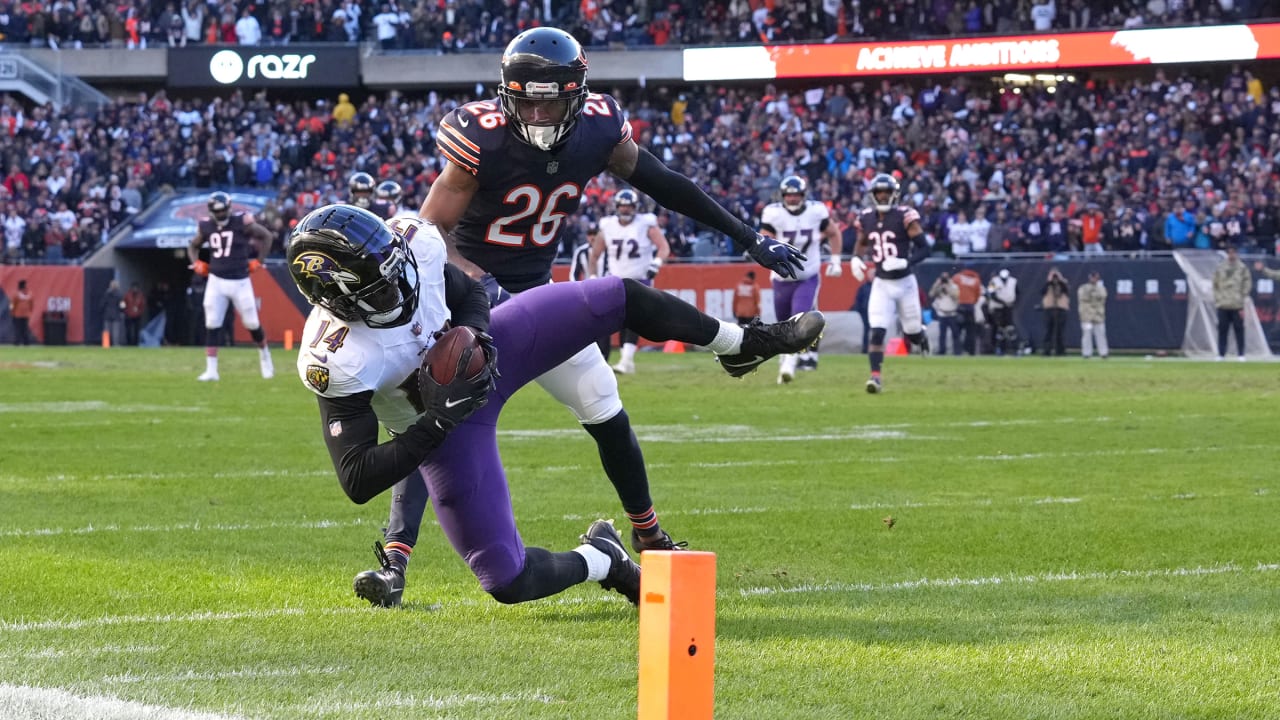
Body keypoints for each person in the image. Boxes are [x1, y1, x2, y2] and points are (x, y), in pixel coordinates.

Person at [378, 26, 805, 608]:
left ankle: (648, 536)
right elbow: (430, 236)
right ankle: (395, 559)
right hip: (467, 302)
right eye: (525, 97)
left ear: (577, 94)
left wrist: (748, 236)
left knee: (605, 408)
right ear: (506, 93)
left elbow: (668, 185)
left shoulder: (601, 129)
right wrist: (480, 286)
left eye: (550, 98)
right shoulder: (480, 138)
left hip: (541, 300)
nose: (537, 111)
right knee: (434, 412)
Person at [288, 206, 823, 607]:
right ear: (341, 300)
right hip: (443, 427)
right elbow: (357, 478)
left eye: (395, 267)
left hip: (489, 355)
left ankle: (740, 346)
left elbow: (468, 292)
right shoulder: (336, 358)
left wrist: (477, 337)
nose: (400, 283)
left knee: (614, 295)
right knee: (506, 580)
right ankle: (602, 560)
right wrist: (440, 418)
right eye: (381, 286)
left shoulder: (415, 248)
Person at [758, 175, 843, 384]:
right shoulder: (773, 213)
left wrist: (836, 260)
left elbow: (833, 232)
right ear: (782, 195)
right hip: (781, 276)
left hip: (808, 274)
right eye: (789, 195)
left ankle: (790, 362)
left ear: (804, 196)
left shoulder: (816, 211)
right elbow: (763, 237)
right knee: (783, 322)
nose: (793, 199)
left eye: (796, 195)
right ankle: (789, 355)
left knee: (799, 317)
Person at [851, 173, 931, 394]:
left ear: (895, 194)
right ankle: (875, 377)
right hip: (882, 284)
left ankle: (920, 335)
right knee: (876, 331)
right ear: (873, 195)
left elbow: (925, 248)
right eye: (880, 192)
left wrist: (906, 260)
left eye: (887, 192)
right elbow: (861, 244)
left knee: (912, 332)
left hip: (905, 283)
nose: (883, 196)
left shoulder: (905, 215)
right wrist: (856, 259)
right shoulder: (866, 217)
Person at [187, 191, 275, 381]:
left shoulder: (241, 222)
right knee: (212, 323)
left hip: (240, 280)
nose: (220, 214)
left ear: (229, 208)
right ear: (211, 211)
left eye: (223, 210)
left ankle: (265, 357)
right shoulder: (206, 226)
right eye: (217, 211)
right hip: (216, 280)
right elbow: (193, 246)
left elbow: (267, 236)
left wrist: (259, 261)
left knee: (251, 323)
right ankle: (212, 370)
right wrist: (196, 263)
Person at [586, 188, 671, 375]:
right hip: (616, 280)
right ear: (617, 207)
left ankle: (626, 361)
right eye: (623, 207)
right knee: (613, 319)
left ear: (635, 207)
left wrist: (656, 263)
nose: (625, 210)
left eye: (629, 206)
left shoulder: (646, 223)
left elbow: (663, 247)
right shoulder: (608, 225)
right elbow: (594, 255)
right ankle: (615, 361)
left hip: (640, 278)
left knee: (633, 319)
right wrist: (592, 277)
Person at [1213, 246, 1251, 361]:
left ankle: (1241, 354)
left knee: (1239, 329)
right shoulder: (1220, 268)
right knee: (1222, 329)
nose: (1231, 255)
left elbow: (1247, 283)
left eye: (1233, 252)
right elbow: (1215, 284)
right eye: (1229, 253)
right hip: (1223, 304)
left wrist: (1242, 296)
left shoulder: (1242, 268)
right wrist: (1218, 298)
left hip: (1237, 304)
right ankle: (1221, 354)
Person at [986, 268, 1019, 355]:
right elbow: (990, 293)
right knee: (998, 328)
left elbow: (1018, 293)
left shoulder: (1014, 281)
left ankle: (1013, 348)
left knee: (1010, 328)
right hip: (997, 308)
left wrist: (1012, 303)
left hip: (1009, 308)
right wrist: (1002, 302)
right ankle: (997, 348)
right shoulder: (993, 281)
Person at [951, 265, 983, 355]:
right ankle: (970, 351)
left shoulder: (957, 277)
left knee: (957, 331)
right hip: (970, 307)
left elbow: (952, 291)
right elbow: (978, 294)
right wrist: (972, 301)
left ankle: (957, 351)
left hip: (959, 306)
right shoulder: (976, 280)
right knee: (971, 331)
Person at [1077, 270, 1108, 359]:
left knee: (1101, 334)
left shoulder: (1101, 288)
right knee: (1087, 334)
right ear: (1090, 277)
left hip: (1098, 314)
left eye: (1097, 278)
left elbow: (1103, 297)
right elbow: (1084, 298)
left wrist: (1095, 294)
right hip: (1087, 314)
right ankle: (1086, 353)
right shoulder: (1083, 288)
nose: (1095, 279)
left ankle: (1103, 353)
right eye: (1093, 277)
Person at [929, 272, 960, 356]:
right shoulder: (939, 287)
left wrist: (948, 287)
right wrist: (937, 284)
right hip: (942, 313)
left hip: (952, 313)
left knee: (955, 334)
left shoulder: (954, 286)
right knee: (942, 334)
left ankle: (957, 351)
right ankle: (942, 351)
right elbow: (931, 294)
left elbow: (956, 296)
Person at [1040, 267, 1070, 357]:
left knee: (1060, 332)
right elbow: (1042, 292)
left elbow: (1066, 290)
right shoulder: (1047, 285)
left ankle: (1060, 350)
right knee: (1048, 331)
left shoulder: (1063, 284)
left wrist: (1060, 280)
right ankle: (1047, 350)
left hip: (1061, 309)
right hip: (1049, 309)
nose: (1055, 278)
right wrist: (1049, 281)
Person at [102, 280, 125, 347]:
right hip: (116, 314)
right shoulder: (120, 294)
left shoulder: (106, 294)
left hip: (107, 314)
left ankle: (106, 344)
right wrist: (122, 311)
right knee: (116, 331)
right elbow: (122, 305)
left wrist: (103, 311)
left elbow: (102, 304)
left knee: (106, 330)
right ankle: (116, 344)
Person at [123, 282, 147, 346]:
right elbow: (123, 303)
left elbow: (143, 305)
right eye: (133, 288)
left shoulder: (140, 296)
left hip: (137, 316)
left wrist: (140, 312)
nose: (135, 289)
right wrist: (124, 311)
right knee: (128, 330)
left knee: (136, 330)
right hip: (128, 315)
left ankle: (135, 343)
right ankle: (129, 343)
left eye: (136, 288)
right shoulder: (127, 295)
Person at [10, 278, 32, 345]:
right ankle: (26, 342)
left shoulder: (16, 294)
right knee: (25, 329)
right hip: (26, 314)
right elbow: (31, 305)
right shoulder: (30, 294)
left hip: (17, 314)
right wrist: (29, 311)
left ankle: (17, 342)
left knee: (18, 329)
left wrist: (12, 312)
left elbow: (12, 304)